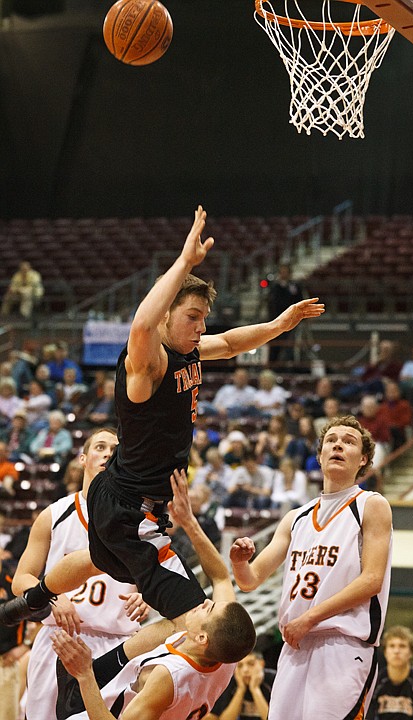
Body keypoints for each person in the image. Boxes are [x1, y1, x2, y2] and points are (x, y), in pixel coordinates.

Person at [0, 204, 324, 636]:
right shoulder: (146, 363)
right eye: (192, 316)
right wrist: (184, 262)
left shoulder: (189, 349)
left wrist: (279, 325)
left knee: (96, 561)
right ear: (166, 313)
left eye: (203, 317)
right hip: (132, 509)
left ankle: (30, 602)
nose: (200, 326)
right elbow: (140, 325)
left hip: (121, 494)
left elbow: (228, 343)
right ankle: (106, 666)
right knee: (203, 623)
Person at [50, 468, 256, 720]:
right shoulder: (225, 652)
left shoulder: (167, 677)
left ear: (202, 638)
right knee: (171, 626)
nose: (205, 603)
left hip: (91, 711)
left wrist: (85, 676)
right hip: (112, 689)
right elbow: (221, 577)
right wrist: (189, 521)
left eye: (209, 609)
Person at [230, 415, 393, 720]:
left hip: (342, 644)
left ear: (364, 459)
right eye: (331, 440)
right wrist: (239, 562)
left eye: (349, 441)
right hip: (295, 644)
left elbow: (372, 580)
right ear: (319, 457)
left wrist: (310, 618)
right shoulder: (296, 517)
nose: (338, 445)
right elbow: (251, 580)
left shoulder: (371, 505)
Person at [10, 428, 150, 720]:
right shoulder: (53, 514)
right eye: (100, 447)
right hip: (58, 638)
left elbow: (156, 580)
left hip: (117, 643)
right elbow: (21, 578)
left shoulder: (142, 521)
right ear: (83, 458)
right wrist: (49, 597)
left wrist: (146, 596)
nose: (108, 453)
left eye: (115, 450)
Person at [367, 625, 413, 719]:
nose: (396, 651)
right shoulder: (374, 683)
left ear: (411, 652)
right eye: (392, 646)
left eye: (402, 646)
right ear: (385, 652)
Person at [205, 650, 276, 720]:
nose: (245, 670)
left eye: (251, 664)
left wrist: (255, 689)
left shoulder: (274, 679)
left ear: (261, 664)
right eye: (240, 666)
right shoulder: (229, 681)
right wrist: (241, 689)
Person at [0, 558, 29, 720]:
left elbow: (39, 618)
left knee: (6, 715)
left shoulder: (12, 584)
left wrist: (25, 645)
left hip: (5, 660)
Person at [267, 263, 304, 363]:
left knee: (289, 345)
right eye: (282, 272)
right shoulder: (275, 287)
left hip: (292, 320)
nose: (284, 274)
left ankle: (289, 364)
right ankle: (273, 363)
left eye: (286, 272)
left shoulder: (295, 286)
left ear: (289, 273)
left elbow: (299, 301)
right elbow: (271, 303)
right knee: (275, 343)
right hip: (276, 319)